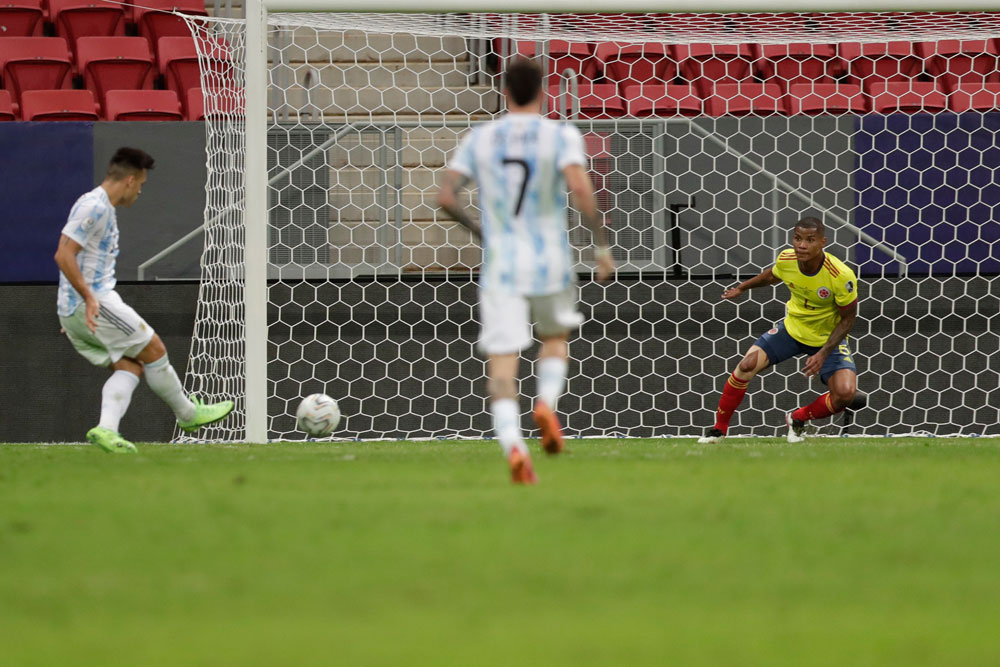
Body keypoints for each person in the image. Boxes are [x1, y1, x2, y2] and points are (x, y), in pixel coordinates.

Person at [438, 58, 615, 484]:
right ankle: (547, 406)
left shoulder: (481, 137)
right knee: (554, 339)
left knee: (502, 364)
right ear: (542, 91)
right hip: (550, 259)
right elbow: (579, 187)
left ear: (503, 90)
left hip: (501, 264)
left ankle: (514, 447)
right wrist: (601, 244)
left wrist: (483, 233)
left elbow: (445, 196)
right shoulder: (560, 135)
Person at [54, 147, 234, 453]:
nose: (140, 190)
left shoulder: (102, 207)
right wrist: (86, 301)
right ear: (129, 180)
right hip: (93, 302)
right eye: (141, 184)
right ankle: (188, 414)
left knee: (130, 366)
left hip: (79, 307)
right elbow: (63, 254)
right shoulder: (93, 206)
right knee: (154, 348)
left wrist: (71, 312)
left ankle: (106, 430)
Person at [698, 216, 863, 444]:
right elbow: (771, 275)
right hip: (791, 331)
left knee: (845, 394)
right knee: (745, 366)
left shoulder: (840, 275)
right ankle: (719, 430)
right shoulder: (787, 259)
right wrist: (742, 288)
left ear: (823, 242)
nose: (801, 245)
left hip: (826, 340)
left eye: (809, 240)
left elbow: (848, 320)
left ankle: (797, 418)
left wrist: (823, 353)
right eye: (797, 238)